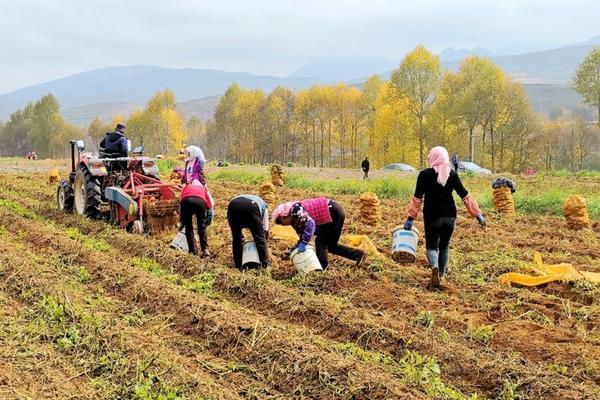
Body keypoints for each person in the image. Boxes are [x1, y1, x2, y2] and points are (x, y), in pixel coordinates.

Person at [403, 146, 485, 288]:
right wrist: (478, 215)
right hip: (450, 217)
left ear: (433, 158)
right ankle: (441, 275)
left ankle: (434, 266)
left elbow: (417, 198)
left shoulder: (424, 174)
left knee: (432, 247)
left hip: (432, 217)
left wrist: (410, 218)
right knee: (445, 246)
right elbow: (464, 195)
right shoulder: (451, 174)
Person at [272, 197, 366, 269]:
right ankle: (357, 255)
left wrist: (304, 242)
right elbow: (302, 235)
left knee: (322, 242)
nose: (283, 225)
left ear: (283, 216)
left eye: (281, 222)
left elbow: (310, 223)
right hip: (329, 216)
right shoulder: (294, 221)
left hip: (332, 212)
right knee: (330, 245)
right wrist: (295, 248)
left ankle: (321, 267)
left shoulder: (295, 210)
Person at [227, 195, 270, 269]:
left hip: (232, 205)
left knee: (236, 238)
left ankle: (238, 264)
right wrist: (264, 240)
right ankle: (265, 265)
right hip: (251, 207)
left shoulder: (246, 198)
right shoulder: (265, 208)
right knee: (260, 238)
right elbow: (265, 231)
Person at [180, 180, 214, 257]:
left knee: (188, 227)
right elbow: (210, 204)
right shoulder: (202, 188)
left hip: (186, 201)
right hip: (200, 202)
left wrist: (182, 219)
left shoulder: (187, 187)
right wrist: (208, 218)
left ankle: (193, 251)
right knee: (201, 226)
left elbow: (181, 198)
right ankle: (204, 249)